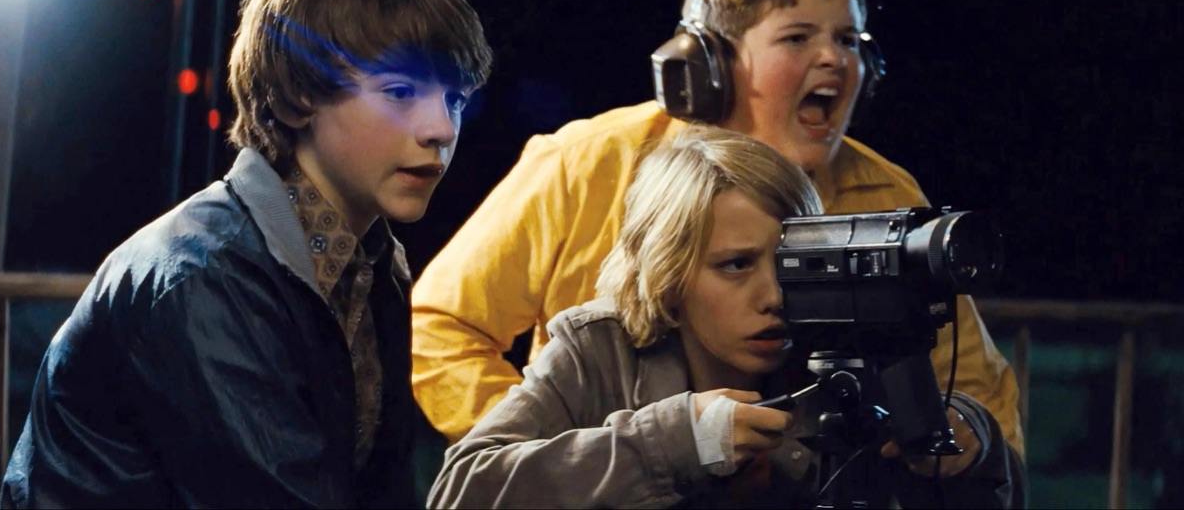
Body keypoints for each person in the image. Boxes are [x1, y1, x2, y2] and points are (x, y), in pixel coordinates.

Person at [411, 0, 1024, 460]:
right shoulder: (588, 163)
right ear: (711, 66)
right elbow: (441, 328)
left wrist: (965, 451)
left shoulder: (884, 194)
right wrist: (562, 460)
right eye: (797, 37)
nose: (834, 60)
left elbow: (974, 385)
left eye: (848, 40)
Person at [0, 0, 492, 508]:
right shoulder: (205, 275)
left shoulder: (375, 265)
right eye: (401, 91)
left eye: (455, 99)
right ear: (297, 96)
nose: (441, 129)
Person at [427, 126, 1024, 508]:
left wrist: (974, 453)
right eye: (735, 265)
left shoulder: (847, 351)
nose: (774, 296)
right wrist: (674, 444)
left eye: (791, 265)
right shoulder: (599, 350)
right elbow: (461, 491)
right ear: (669, 273)